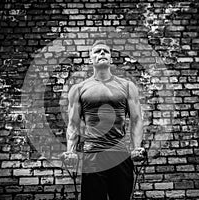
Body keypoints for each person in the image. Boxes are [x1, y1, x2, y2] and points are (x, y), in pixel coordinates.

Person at [61, 40, 145, 200]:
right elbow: (73, 125)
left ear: (111, 59)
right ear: (90, 59)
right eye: (97, 51)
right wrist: (70, 151)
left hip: (120, 154)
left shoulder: (127, 86)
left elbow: (136, 119)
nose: (102, 54)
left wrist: (136, 148)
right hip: (92, 156)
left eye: (105, 51)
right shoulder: (78, 89)